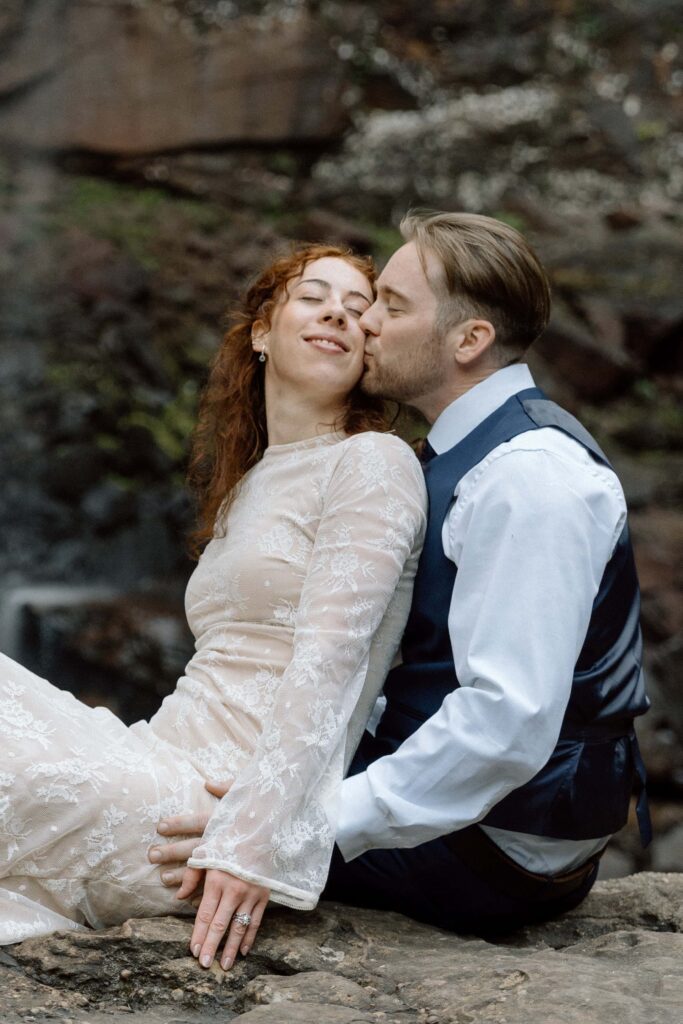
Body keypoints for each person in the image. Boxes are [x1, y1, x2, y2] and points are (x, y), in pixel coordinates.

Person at [155, 212, 651, 937]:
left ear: (469, 340)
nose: (365, 325)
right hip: (453, 802)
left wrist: (310, 824)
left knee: (155, 837)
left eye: (389, 305)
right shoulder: (447, 454)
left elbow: (505, 724)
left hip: (501, 848)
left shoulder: (529, 479)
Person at [0, 244, 427, 966]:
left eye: (360, 311)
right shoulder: (251, 480)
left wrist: (258, 837)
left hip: (202, 815)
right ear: (261, 330)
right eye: (313, 297)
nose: (338, 314)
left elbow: (331, 663)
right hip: (152, 753)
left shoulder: (371, 461)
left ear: (368, 353)